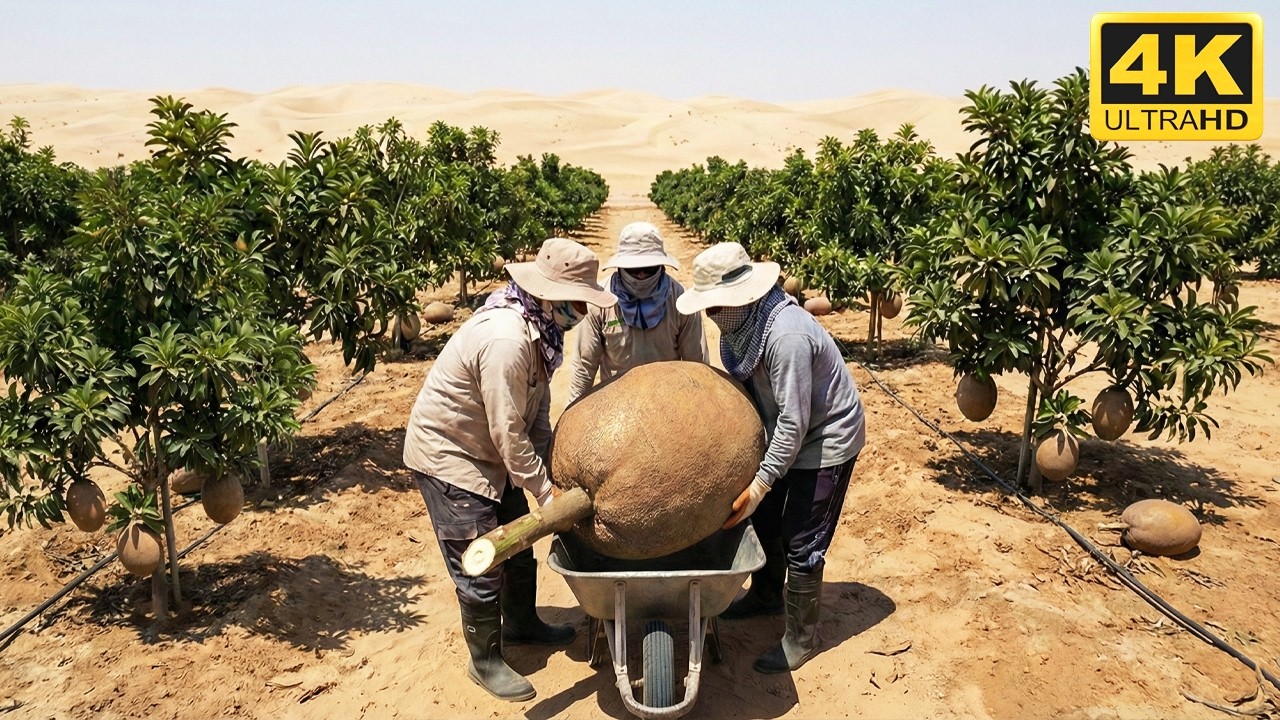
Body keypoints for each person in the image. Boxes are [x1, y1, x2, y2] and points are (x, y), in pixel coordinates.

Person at [403, 237, 617, 701]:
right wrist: (543, 491)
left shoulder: (542, 330)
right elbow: (506, 430)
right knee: (480, 559)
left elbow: (535, 415)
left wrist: (550, 475)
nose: (582, 312)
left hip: (493, 458)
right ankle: (484, 661)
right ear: (549, 293)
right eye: (577, 302)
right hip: (453, 459)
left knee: (519, 541)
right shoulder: (507, 339)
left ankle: (522, 623)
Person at [675, 241, 866, 674]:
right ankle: (764, 597)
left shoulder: (787, 336)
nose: (710, 315)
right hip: (784, 430)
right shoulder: (749, 325)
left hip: (825, 438)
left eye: (715, 305)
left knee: (802, 536)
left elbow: (795, 424)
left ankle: (801, 638)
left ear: (742, 298)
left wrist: (761, 484)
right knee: (764, 523)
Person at [567, 221, 707, 404]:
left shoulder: (679, 300)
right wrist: (573, 413)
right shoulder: (600, 301)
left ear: (661, 266)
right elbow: (583, 367)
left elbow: (697, 365)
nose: (641, 275)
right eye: (634, 269)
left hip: (669, 403)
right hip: (616, 405)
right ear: (620, 267)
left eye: (649, 269)